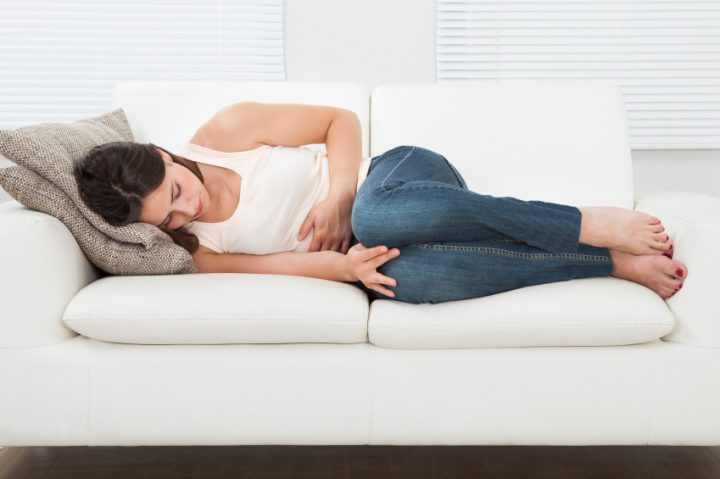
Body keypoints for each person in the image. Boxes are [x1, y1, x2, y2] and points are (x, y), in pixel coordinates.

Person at [73, 102, 687, 304]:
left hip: (400, 178)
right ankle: (605, 262)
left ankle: (582, 220)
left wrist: (342, 195)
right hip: (392, 239)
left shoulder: (228, 132)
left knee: (373, 213)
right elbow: (281, 266)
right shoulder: (197, 247)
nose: (187, 212)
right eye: (170, 219)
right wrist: (345, 268)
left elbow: (341, 123)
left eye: (177, 192)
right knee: (401, 279)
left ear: (164, 154)